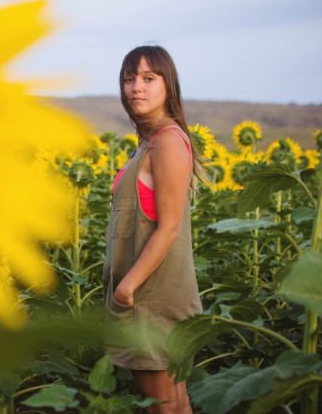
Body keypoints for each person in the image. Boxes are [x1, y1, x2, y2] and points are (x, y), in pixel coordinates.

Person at [103, 45, 206, 414]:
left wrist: (126, 288)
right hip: (146, 295)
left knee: (162, 407)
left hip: (150, 297)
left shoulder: (166, 141)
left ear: (168, 86)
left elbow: (169, 228)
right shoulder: (149, 142)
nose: (137, 88)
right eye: (129, 79)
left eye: (149, 78)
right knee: (172, 405)